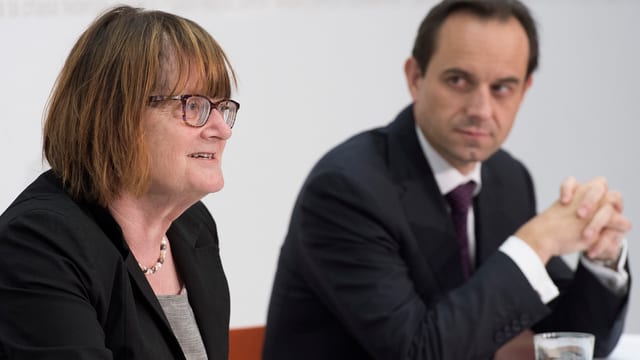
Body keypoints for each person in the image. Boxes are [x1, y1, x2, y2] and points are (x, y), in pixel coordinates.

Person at [263, 0, 631, 359]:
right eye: (458, 80)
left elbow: (573, 343)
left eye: (502, 87)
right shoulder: (346, 190)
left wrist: (603, 257)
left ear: (525, 90)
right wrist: (538, 241)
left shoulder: (507, 178)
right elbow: (417, 351)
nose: (481, 110)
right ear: (415, 78)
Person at [0, 6, 239, 359]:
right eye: (194, 106)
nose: (222, 129)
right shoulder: (39, 245)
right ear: (117, 114)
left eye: (222, 107)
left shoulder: (193, 227)